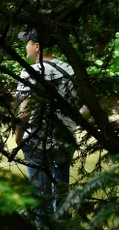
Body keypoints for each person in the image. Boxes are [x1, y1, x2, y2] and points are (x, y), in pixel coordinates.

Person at [12, 28, 85, 216]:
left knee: (40, 198)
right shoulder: (70, 69)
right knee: (62, 193)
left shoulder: (31, 71)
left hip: (37, 142)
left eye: (27, 43)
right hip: (64, 140)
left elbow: (25, 111)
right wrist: (70, 123)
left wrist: (18, 138)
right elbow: (87, 108)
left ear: (37, 47)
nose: (25, 48)